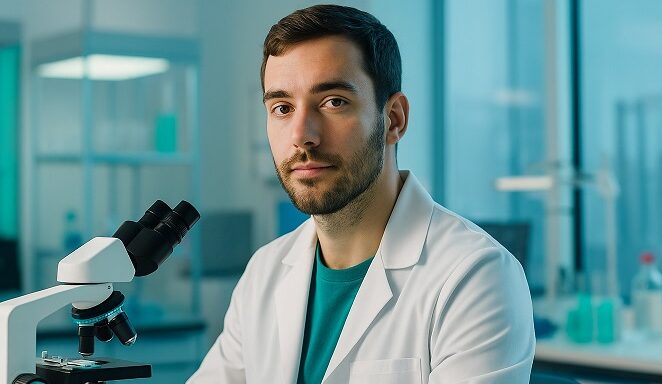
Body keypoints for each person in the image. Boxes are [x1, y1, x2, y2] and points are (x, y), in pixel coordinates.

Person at [188, 4, 535, 384]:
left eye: (333, 102)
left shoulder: (474, 276)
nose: (302, 134)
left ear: (394, 119)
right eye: (282, 107)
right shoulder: (264, 273)